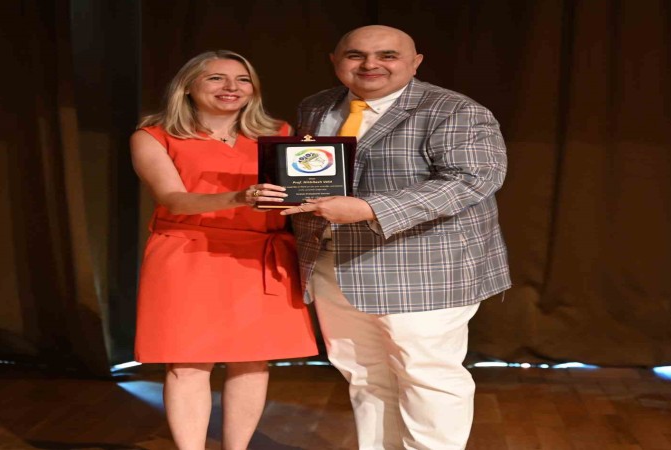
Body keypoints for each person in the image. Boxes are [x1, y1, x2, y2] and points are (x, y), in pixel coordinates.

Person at [281, 25, 511, 449]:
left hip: (424, 270)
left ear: (415, 62)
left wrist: (370, 209)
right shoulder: (316, 107)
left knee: (428, 378)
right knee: (363, 375)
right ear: (335, 61)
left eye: (387, 55)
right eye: (356, 55)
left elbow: (472, 180)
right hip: (334, 264)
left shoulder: (455, 110)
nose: (371, 64)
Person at [131, 50, 318, 450]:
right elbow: (172, 199)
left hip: (259, 257)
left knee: (252, 361)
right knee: (187, 362)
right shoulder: (154, 136)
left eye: (243, 79)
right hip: (188, 254)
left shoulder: (281, 134)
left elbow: (301, 192)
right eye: (216, 78)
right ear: (188, 86)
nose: (232, 87)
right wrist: (239, 197)